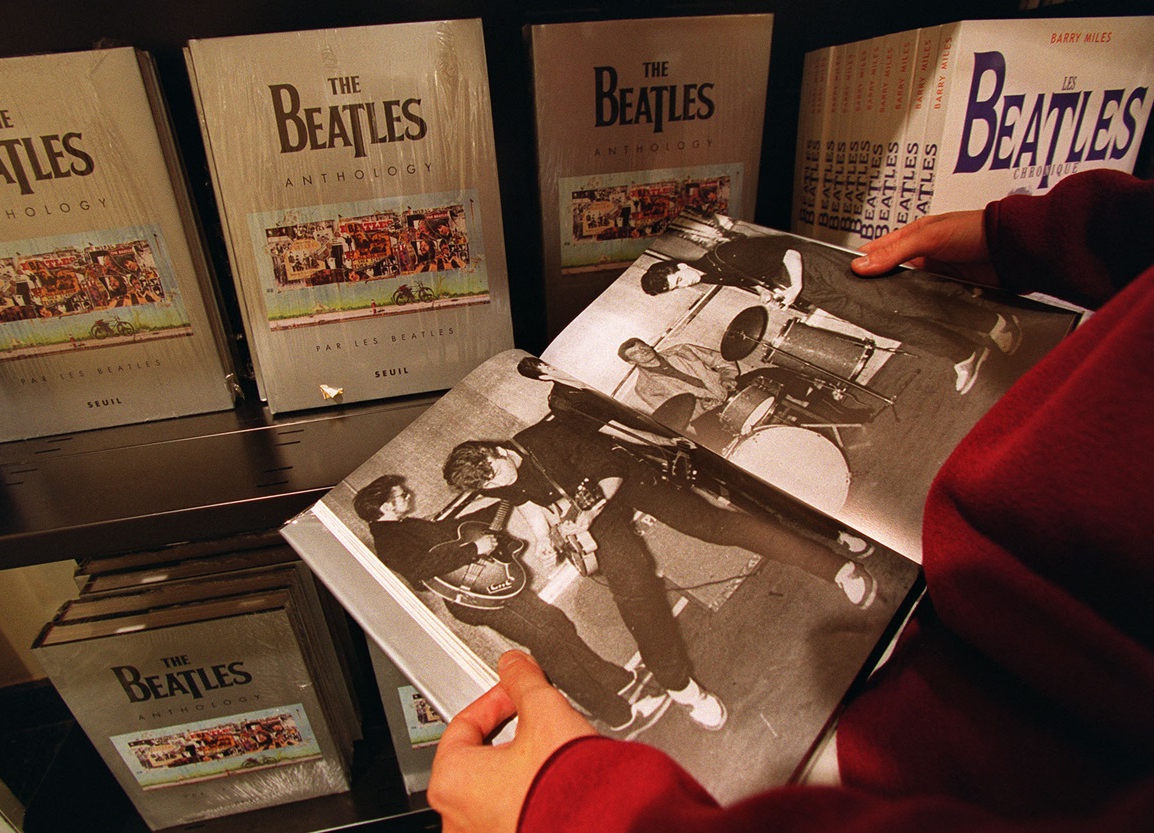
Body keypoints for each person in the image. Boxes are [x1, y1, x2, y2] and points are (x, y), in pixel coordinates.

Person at [427, 169, 1154, 833]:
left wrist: (570, 809)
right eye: (486, 472)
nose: (498, 468)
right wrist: (1054, 234)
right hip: (969, 680)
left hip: (660, 478)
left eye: (493, 461)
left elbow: (613, 454)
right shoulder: (532, 468)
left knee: (738, 515)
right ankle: (679, 683)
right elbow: (551, 508)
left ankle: (834, 558)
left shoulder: (570, 418)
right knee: (647, 559)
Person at [441, 411, 880, 730]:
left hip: (623, 483)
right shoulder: (502, 478)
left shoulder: (545, 438)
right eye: (490, 486)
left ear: (498, 450)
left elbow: (609, 471)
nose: (500, 483)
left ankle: (837, 567)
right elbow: (529, 499)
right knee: (633, 590)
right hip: (588, 513)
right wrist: (551, 535)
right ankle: (680, 686)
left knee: (717, 526)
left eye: (497, 473)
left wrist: (584, 516)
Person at [352, 474, 668, 736]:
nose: (407, 495)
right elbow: (421, 569)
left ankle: (617, 680)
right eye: (400, 495)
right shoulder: (389, 539)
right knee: (548, 642)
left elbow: (454, 533)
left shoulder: (402, 527)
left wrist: (502, 501)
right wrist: (474, 548)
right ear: (384, 506)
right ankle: (616, 714)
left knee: (557, 624)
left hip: (492, 589)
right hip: (479, 599)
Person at [639, 227, 1023, 394]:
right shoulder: (709, 274)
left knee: (899, 302)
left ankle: (994, 322)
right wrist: (776, 295)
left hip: (816, 265)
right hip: (810, 285)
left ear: (677, 265)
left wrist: (793, 287)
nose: (683, 284)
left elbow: (788, 251)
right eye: (676, 288)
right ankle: (965, 353)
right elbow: (765, 276)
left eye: (677, 277)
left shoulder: (725, 254)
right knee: (882, 322)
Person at [616, 337, 739, 427]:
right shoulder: (644, 388)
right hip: (708, 417)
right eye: (634, 353)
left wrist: (727, 377)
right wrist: (701, 407)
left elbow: (722, 361)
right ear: (631, 362)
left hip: (732, 390)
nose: (642, 351)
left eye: (642, 346)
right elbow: (672, 416)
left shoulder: (683, 350)